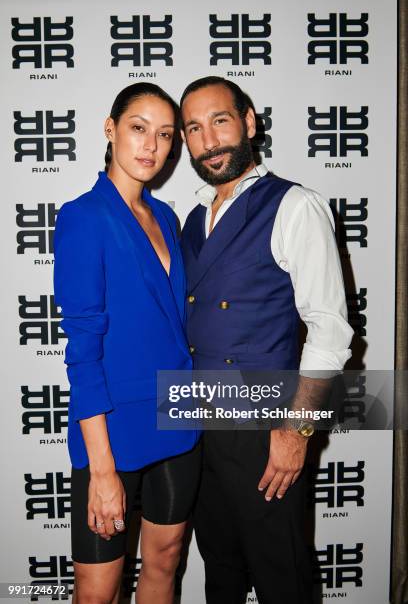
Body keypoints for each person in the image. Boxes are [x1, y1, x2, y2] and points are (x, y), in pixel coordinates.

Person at [179, 76, 354, 604]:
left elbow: (330, 329)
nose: (208, 141)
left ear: (249, 122)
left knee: (281, 573)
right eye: (193, 129)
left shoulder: (294, 205)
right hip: (198, 425)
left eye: (220, 121)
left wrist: (296, 432)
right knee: (221, 567)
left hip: (265, 425)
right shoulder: (191, 220)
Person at [53, 83, 201, 604]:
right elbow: (83, 351)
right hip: (112, 429)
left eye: (165, 136)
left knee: (164, 561)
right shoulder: (83, 216)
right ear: (111, 129)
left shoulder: (167, 218)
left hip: (178, 420)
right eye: (139, 129)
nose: (151, 147)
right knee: (98, 590)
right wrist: (101, 469)